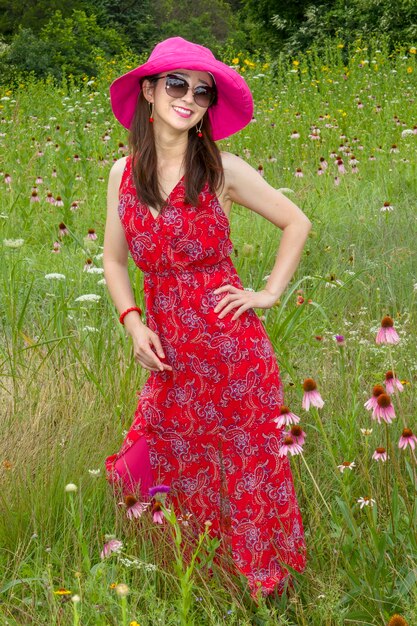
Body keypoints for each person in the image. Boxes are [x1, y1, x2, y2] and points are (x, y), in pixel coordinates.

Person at [103, 36, 311, 601]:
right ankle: (200, 576)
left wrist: (266, 293)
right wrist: (131, 320)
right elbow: (113, 259)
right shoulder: (123, 173)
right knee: (161, 460)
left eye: (201, 90)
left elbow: (297, 223)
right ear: (148, 91)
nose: (189, 97)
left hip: (230, 350)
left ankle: (262, 586)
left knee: (244, 464)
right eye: (176, 84)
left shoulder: (223, 170)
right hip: (168, 351)